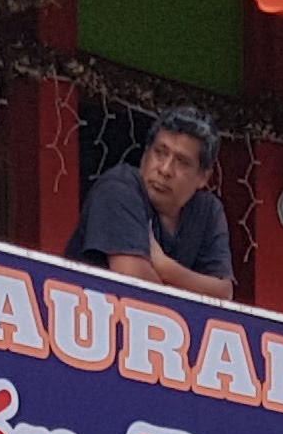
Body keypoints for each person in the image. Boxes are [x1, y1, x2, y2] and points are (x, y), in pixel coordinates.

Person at [69, 111, 235, 302]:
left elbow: (223, 294)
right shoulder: (119, 188)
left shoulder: (208, 211)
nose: (165, 169)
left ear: (203, 177)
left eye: (181, 162)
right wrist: (192, 288)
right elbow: (135, 284)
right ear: (145, 154)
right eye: (160, 153)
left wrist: (165, 267)